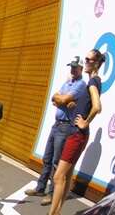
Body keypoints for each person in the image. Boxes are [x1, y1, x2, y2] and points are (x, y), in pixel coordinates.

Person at [48, 49, 104, 215]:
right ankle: (56, 212)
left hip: (77, 135)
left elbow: (97, 107)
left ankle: (52, 213)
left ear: (96, 63)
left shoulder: (93, 82)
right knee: (67, 175)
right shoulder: (92, 82)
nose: (85, 62)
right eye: (85, 59)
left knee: (58, 177)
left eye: (88, 59)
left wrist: (85, 122)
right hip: (78, 135)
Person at [25, 56, 86, 206]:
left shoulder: (81, 84)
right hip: (57, 124)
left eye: (75, 67)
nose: (72, 69)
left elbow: (63, 100)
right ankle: (40, 187)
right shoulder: (67, 83)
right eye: (71, 66)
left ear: (81, 68)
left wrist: (62, 100)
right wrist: (61, 99)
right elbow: (54, 99)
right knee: (47, 158)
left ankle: (52, 193)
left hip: (65, 126)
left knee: (56, 162)